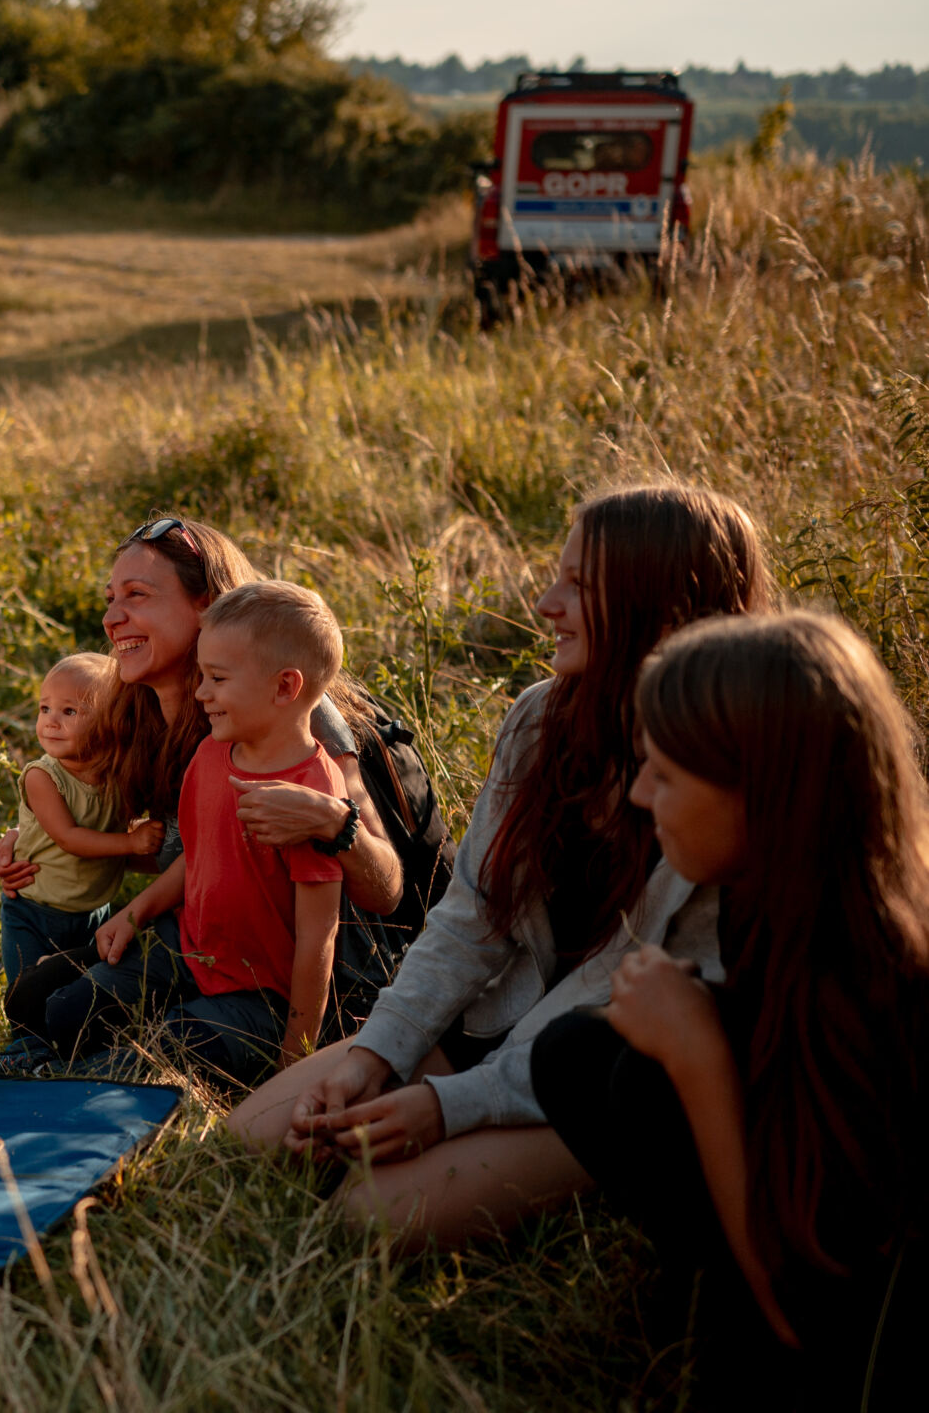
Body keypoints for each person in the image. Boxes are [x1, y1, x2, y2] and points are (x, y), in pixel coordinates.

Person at [229, 484, 774, 1248]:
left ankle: (584, 1172)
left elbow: (655, 1014)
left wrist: (449, 1108)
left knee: (365, 1222)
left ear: (667, 607)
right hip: (491, 1018)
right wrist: (380, 1053)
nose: (545, 603)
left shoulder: (732, 780)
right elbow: (467, 916)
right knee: (246, 1144)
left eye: (578, 586)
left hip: (598, 1071)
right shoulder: (541, 719)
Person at [532, 612, 928, 1409]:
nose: (640, 795)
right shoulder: (770, 902)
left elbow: (811, 1307)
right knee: (579, 1054)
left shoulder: (875, 979)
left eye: (664, 775)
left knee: (648, 1076)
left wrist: (698, 1054)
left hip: (847, 1333)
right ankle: (703, 1308)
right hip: (798, 1238)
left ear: (763, 793)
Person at [0, 517, 404, 1066]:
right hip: (197, 935)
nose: (113, 618)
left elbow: (386, 890)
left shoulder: (292, 719)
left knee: (140, 1048)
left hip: (298, 967)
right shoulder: (132, 704)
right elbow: (166, 843)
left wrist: (334, 824)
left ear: (206, 607)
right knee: (37, 1005)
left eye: (137, 595)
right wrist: (34, 837)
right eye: (111, 598)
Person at [130, 580, 350, 1086]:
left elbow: (319, 937)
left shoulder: (309, 795)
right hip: (192, 953)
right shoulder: (211, 753)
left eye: (218, 679)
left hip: (258, 999)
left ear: (284, 687)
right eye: (201, 675)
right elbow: (200, 858)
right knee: (61, 1005)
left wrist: (293, 1070)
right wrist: (132, 913)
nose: (202, 692)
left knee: (157, 1056)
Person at [0, 652, 164, 985]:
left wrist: (137, 832)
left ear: (110, 721)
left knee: (72, 988)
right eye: (45, 708)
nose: (51, 721)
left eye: (69, 711)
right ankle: (25, 1039)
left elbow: (107, 824)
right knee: (28, 988)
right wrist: (131, 841)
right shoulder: (42, 776)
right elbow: (69, 838)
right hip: (34, 909)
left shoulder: (118, 776)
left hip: (93, 912)